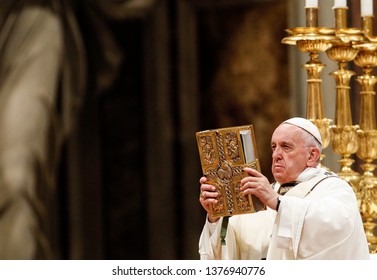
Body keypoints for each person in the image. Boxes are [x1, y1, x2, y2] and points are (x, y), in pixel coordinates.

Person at [198, 117, 370, 260]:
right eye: (274, 147)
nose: (276, 155)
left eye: (286, 147)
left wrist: (277, 202)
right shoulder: (262, 195)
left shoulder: (334, 188)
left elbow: (334, 226)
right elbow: (226, 251)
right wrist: (216, 216)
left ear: (312, 155)